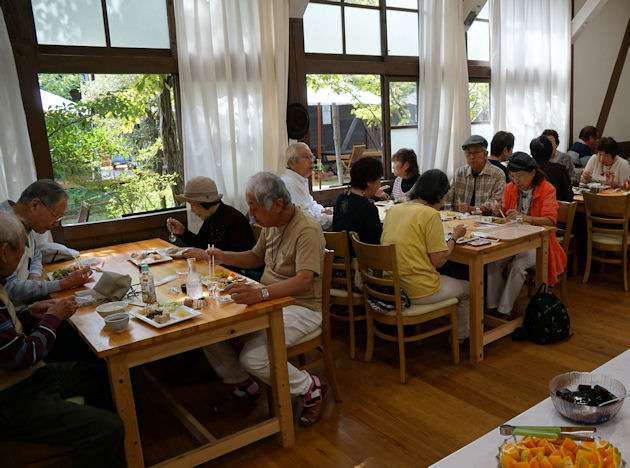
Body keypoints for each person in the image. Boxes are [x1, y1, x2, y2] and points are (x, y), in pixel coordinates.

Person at [202, 172, 328, 426]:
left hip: (302, 307)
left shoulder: (307, 229)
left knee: (254, 357)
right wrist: (221, 256)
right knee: (207, 329)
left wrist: (261, 293)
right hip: (271, 299)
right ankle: (243, 382)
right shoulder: (272, 225)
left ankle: (309, 387)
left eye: (254, 207)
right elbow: (255, 257)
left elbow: (304, 281)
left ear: (278, 205)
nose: (251, 214)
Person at [0, 210, 124, 468]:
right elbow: (22, 356)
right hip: (11, 398)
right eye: (20, 250)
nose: (24, 255)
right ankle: (99, 437)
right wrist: (52, 317)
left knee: (109, 376)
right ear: (3, 252)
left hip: (29, 378)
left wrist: (28, 312)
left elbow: (7, 335)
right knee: (107, 429)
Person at [381, 169, 470, 342]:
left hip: (392, 286)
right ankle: (461, 338)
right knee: (470, 288)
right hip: (418, 290)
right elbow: (438, 261)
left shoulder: (395, 210)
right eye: (445, 197)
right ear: (438, 196)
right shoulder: (430, 214)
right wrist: (454, 238)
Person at [488, 152, 567, 317]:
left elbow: (550, 221)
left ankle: (504, 309)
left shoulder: (547, 189)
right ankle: (492, 305)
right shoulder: (510, 188)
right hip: (513, 240)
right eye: (512, 176)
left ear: (532, 173)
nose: (516, 181)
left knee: (518, 265)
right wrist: (498, 212)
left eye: (520, 176)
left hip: (539, 243)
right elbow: (505, 213)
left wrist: (527, 218)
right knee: (493, 261)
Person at [0, 180, 91, 305]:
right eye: (56, 215)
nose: (56, 223)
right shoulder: (4, 228)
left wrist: (34, 275)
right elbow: (9, 289)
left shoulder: (23, 223)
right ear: (35, 205)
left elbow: (36, 254)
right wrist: (64, 283)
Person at [165, 176, 255, 260]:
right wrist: (182, 231)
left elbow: (236, 259)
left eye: (193, 205)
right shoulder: (212, 216)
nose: (192, 210)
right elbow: (201, 244)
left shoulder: (233, 220)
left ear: (205, 203)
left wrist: (205, 254)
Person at [446, 135, 506, 214]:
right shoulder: (460, 173)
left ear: (485, 154)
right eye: (468, 153)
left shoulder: (498, 174)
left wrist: (471, 209)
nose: (472, 157)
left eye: (476, 152)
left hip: (486, 223)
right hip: (459, 221)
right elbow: (447, 198)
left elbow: (494, 203)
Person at [333, 156, 383, 248]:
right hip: (361, 259)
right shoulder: (367, 208)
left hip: (340, 257)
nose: (379, 183)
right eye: (379, 179)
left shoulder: (340, 198)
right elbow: (377, 243)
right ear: (369, 182)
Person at [281, 142, 333, 230]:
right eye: (305, 157)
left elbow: (310, 204)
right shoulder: (291, 183)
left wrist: (321, 210)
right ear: (291, 163)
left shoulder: (298, 179)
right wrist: (332, 218)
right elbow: (305, 219)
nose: (311, 161)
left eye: (311, 157)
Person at [530, 136, 573, 202]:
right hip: (556, 209)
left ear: (531, 152)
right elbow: (569, 196)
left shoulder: (526, 169)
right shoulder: (559, 170)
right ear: (550, 152)